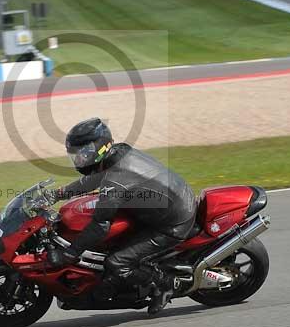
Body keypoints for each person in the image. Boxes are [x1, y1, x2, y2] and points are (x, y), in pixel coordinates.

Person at [46, 118, 197, 315]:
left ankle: (164, 284)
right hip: (167, 204)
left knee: (117, 262)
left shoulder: (116, 181)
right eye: (75, 155)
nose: (78, 160)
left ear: (98, 149)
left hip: (172, 223)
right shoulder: (118, 153)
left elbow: (100, 226)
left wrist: (70, 254)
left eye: (83, 154)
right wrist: (57, 194)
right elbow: (93, 180)